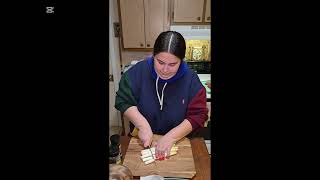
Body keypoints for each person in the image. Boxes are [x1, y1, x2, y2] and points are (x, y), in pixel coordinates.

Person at [115, 31, 208, 159]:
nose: (165, 70)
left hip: (179, 142)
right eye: (160, 62)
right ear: (153, 56)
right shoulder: (137, 73)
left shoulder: (191, 80)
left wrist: (171, 137)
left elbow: (199, 115)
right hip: (143, 142)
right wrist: (142, 125)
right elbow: (123, 100)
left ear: (181, 61)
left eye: (172, 64)